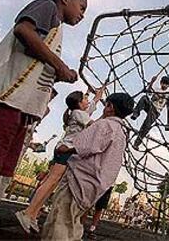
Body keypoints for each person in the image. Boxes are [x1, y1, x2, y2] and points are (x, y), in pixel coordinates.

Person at [0, 0, 86, 189]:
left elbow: (34, 65)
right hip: (5, 97)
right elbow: (23, 30)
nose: (82, 15)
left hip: (21, 106)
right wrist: (60, 66)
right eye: (81, 7)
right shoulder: (47, 7)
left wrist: (59, 74)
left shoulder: (56, 32)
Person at [40, 92, 134, 240]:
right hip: (95, 184)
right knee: (72, 220)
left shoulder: (105, 124)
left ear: (110, 107)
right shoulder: (121, 133)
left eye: (107, 105)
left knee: (61, 218)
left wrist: (67, 148)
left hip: (80, 179)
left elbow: (87, 146)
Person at [16, 88, 104, 233]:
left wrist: (98, 94)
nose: (87, 101)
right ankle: (27, 212)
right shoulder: (78, 113)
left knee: (52, 184)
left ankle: (33, 214)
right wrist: (106, 118)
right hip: (65, 150)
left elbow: (92, 104)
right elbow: (93, 125)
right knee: (51, 181)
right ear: (79, 103)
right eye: (85, 99)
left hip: (64, 150)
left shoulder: (78, 113)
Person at [131, 75, 169, 148]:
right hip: (150, 106)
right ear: (161, 83)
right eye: (163, 83)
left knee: (146, 126)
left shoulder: (168, 93)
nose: (165, 85)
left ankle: (136, 143)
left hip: (156, 111)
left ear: (168, 85)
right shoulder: (156, 89)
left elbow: (166, 97)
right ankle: (136, 113)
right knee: (144, 98)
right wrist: (152, 82)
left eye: (166, 84)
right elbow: (149, 92)